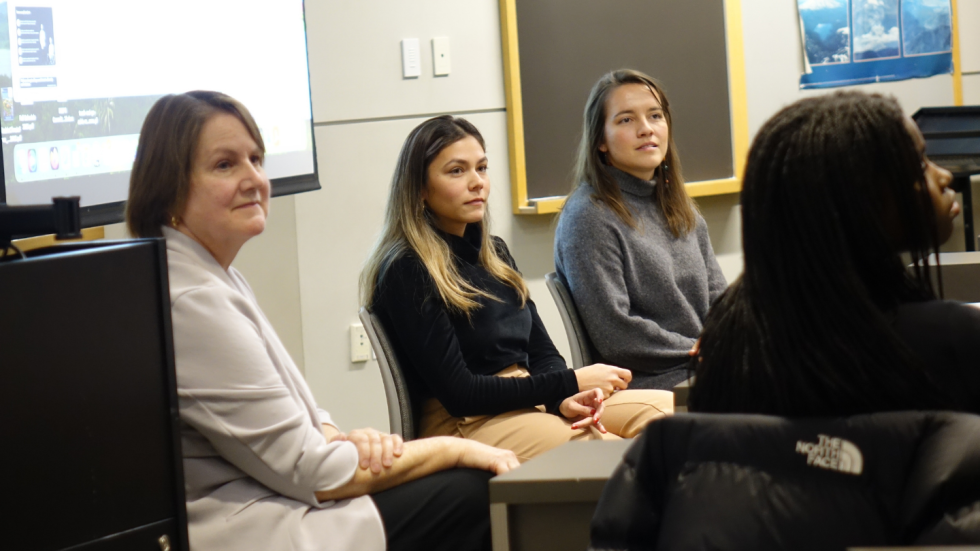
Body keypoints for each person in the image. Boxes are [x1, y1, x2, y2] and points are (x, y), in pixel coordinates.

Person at [125, 91, 519, 551]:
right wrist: (453, 449)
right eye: (224, 165)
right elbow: (315, 472)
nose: (254, 179)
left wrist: (342, 436)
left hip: (284, 499)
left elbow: (296, 417)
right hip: (258, 528)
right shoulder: (191, 300)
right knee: (475, 490)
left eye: (256, 159)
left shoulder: (212, 275)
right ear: (169, 188)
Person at [362, 115, 673, 463]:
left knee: (675, 417)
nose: (477, 182)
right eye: (456, 171)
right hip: (466, 423)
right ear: (419, 188)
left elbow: (541, 351)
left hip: (526, 399)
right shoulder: (407, 269)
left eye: (481, 168)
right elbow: (461, 394)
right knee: (624, 458)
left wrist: (562, 399)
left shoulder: (494, 253)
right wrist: (568, 383)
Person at [688, 91, 980, 416]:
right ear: (858, 202)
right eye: (917, 167)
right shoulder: (952, 340)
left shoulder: (732, 342)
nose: (945, 176)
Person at [554, 69, 727, 390]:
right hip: (650, 380)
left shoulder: (680, 207)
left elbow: (720, 301)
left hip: (704, 367)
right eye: (626, 120)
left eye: (655, 116)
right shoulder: (589, 215)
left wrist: (733, 340)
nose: (646, 129)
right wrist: (699, 351)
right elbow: (617, 334)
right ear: (600, 140)